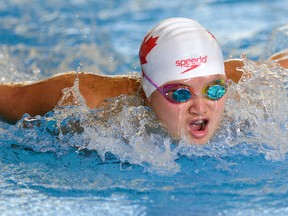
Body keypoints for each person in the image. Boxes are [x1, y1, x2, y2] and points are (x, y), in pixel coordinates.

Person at [0, 18, 287, 144]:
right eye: (179, 94)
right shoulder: (88, 99)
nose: (201, 107)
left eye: (214, 89)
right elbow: (9, 99)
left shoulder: (249, 85)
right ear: (148, 90)